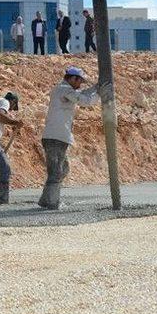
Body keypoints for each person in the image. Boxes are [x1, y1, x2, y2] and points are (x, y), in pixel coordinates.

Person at [38, 67, 100, 210]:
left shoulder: (64, 90)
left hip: (58, 136)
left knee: (63, 169)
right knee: (56, 172)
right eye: (79, 81)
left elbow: (81, 93)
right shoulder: (64, 90)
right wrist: (99, 93)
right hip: (56, 137)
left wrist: (95, 88)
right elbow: (84, 100)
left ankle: (45, 200)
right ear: (73, 78)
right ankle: (52, 203)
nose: (80, 85)